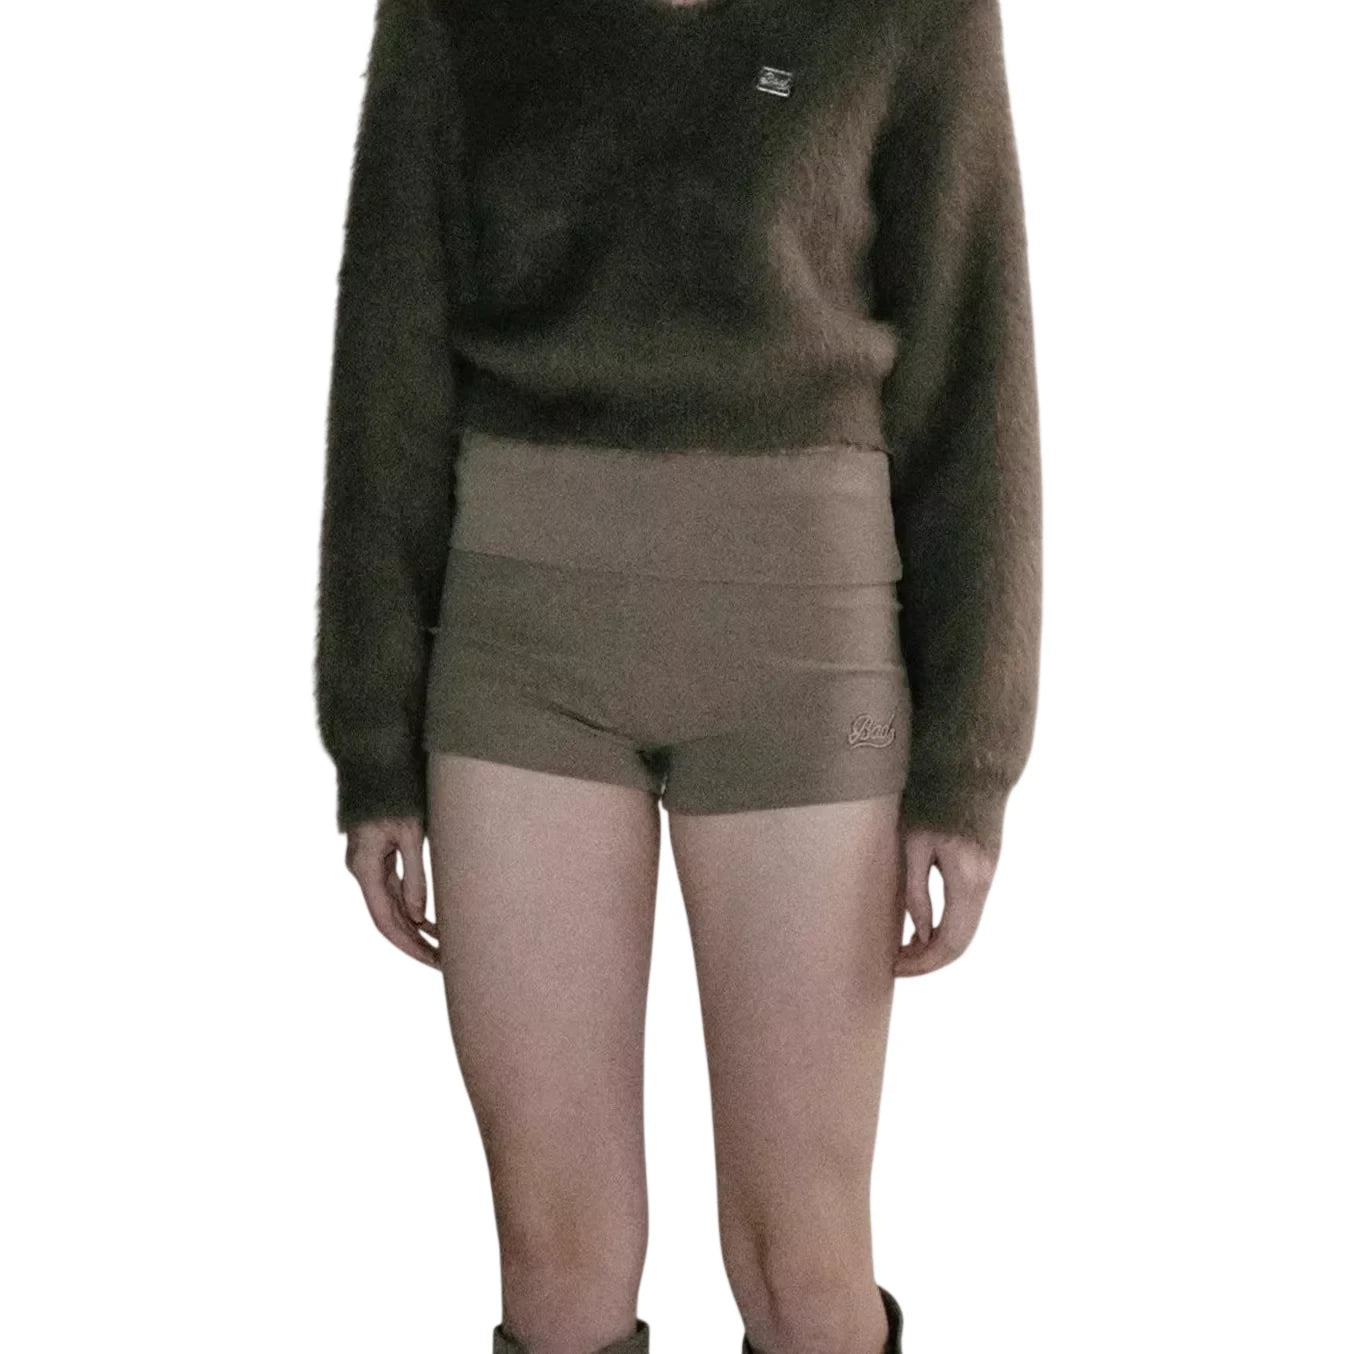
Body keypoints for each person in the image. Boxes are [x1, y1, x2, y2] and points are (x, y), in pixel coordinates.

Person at [313, 0, 1041, 1350]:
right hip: (518, 644)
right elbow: (389, 351)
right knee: (560, 1268)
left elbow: (970, 363)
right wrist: (371, 736)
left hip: (807, 652)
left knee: (800, 1265)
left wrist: (970, 761)